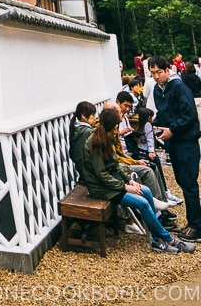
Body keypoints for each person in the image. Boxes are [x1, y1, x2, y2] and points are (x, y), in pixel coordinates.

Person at [83, 108, 193, 253]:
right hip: (101, 188)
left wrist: (130, 180)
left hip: (112, 182)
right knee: (142, 203)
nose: (118, 131)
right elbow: (101, 175)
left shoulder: (108, 137)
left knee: (145, 190)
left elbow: (116, 164)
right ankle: (168, 239)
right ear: (111, 126)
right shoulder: (95, 142)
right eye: (116, 127)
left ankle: (156, 239)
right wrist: (124, 187)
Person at [151, 56, 201, 241]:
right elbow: (163, 114)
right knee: (182, 181)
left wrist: (173, 129)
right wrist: (151, 125)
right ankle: (193, 222)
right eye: (153, 73)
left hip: (186, 141)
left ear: (167, 70)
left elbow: (189, 115)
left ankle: (197, 226)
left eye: (159, 72)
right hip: (173, 141)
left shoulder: (178, 86)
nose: (156, 77)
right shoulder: (158, 89)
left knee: (189, 183)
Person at [69, 101, 97, 183]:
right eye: (93, 115)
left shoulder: (78, 129)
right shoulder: (86, 132)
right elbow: (81, 157)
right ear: (83, 116)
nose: (95, 118)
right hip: (89, 177)